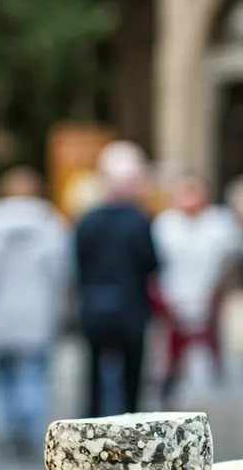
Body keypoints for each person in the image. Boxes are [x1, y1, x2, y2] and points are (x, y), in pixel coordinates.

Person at [0, 167, 70, 458]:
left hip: (0, 309)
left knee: (2, 374)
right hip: (38, 310)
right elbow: (61, 272)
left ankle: (8, 430)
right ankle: (30, 429)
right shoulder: (50, 221)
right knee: (35, 371)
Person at [75, 140, 159, 417]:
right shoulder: (139, 220)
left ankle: (93, 427)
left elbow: (78, 262)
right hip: (131, 308)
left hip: (95, 307)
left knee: (94, 376)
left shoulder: (89, 220)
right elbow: (152, 263)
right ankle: (131, 426)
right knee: (131, 378)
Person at [150, 171, 240, 406]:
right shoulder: (165, 224)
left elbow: (230, 263)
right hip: (173, 303)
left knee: (207, 366)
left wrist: (218, 296)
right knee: (171, 364)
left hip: (209, 302)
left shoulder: (219, 223)